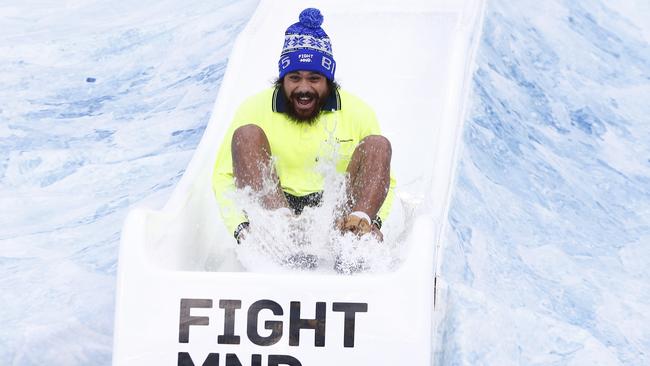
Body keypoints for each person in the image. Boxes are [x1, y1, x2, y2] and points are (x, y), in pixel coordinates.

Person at [212, 8, 395, 246]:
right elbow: (223, 176)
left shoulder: (357, 112)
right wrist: (241, 229)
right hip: (276, 211)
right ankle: (282, 239)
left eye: (314, 78)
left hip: (338, 211)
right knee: (246, 135)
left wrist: (374, 221)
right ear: (282, 80)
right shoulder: (253, 108)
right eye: (295, 78)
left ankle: (355, 239)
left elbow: (383, 178)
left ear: (328, 82)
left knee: (378, 146)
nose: (304, 88)